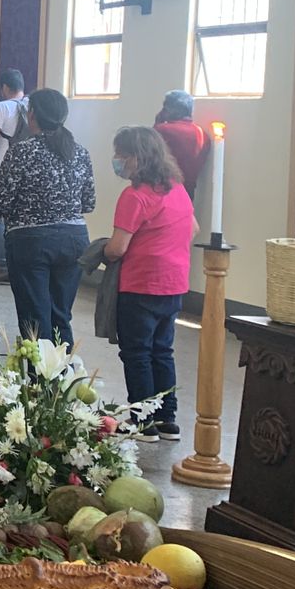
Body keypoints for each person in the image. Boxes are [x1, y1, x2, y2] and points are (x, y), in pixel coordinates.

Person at [105, 125, 196, 441]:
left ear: (136, 158)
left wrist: (100, 251)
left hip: (141, 284)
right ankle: (167, 418)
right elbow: (193, 228)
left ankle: (143, 421)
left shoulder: (135, 196)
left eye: (121, 155)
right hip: (173, 284)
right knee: (162, 350)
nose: (117, 160)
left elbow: (118, 247)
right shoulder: (177, 188)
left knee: (137, 352)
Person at [0, 88, 94, 344]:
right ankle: (63, 379)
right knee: (60, 316)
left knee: (35, 318)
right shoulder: (80, 152)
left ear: (31, 115)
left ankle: (39, 382)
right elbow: (88, 203)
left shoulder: (22, 151)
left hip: (31, 242)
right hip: (74, 241)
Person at [0, 69, 28, 282]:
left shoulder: (3, 107)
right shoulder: (32, 106)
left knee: (0, 217)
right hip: (28, 170)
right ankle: (17, 263)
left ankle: (3, 264)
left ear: (5, 88)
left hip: (3, 167)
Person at [154, 89, 209, 198]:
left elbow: (147, 153)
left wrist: (157, 123)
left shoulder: (162, 130)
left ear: (169, 110)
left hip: (164, 190)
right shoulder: (202, 134)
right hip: (189, 191)